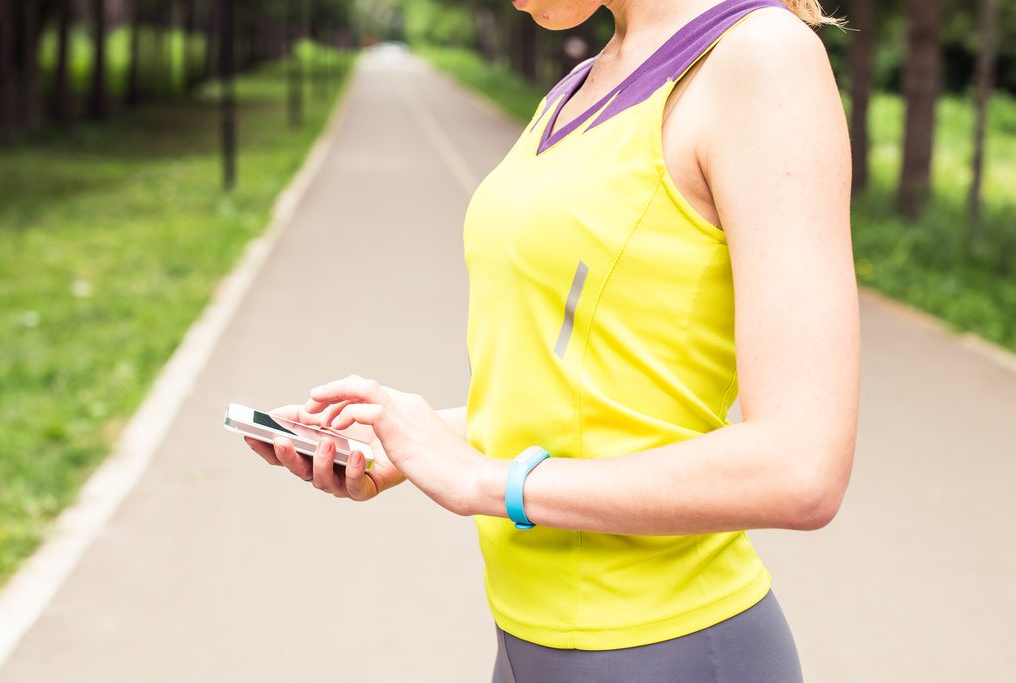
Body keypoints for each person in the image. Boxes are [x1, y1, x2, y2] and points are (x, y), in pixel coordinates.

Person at [243, 0, 859, 680]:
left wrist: (484, 480)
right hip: (524, 645)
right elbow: (592, 401)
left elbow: (801, 466)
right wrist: (407, 441)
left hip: (670, 647)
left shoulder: (761, 58)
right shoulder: (586, 79)